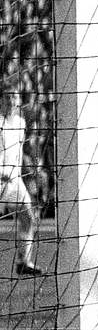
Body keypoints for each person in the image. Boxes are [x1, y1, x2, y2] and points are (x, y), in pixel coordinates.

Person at [1, 89, 43, 277]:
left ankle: (23, 262)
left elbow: (19, 152)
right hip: (0, 180)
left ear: (19, 101)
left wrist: (28, 168)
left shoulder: (20, 123)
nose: (11, 100)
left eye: (14, 97)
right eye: (7, 96)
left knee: (28, 218)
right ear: (2, 99)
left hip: (15, 181)